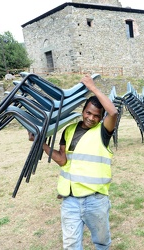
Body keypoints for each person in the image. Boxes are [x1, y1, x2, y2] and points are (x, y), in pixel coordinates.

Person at [29, 74, 118, 249]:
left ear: (101, 118)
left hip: (96, 199)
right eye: (88, 113)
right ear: (83, 111)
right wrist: (42, 144)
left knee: (101, 243)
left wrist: (92, 87)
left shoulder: (103, 131)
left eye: (96, 116)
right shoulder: (69, 130)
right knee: (71, 245)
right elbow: (62, 160)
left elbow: (113, 112)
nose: (91, 118)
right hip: (70, 200)